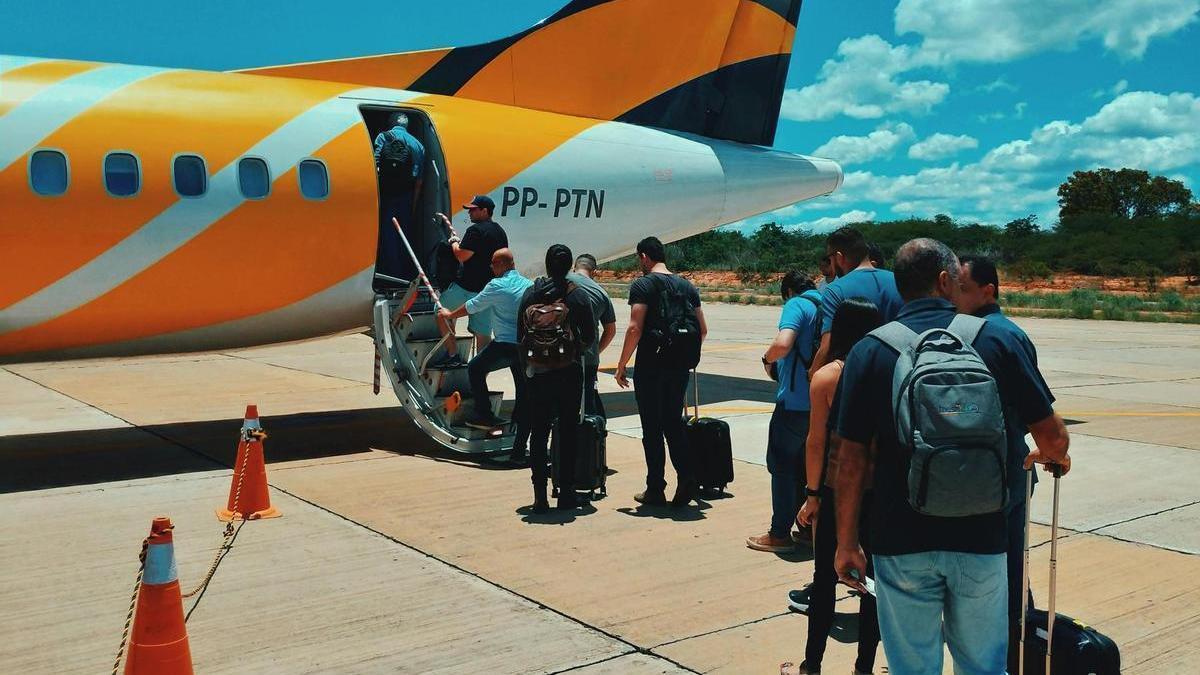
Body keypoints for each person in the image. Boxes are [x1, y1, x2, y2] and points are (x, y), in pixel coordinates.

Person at [832, 238, 1072, 675]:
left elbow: (849, 461)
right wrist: (1051, 455)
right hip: (981, 535)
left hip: (899, 539)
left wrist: (847, 540)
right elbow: (1053, 436)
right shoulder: (998, 339)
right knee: (982, 667)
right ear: (945, 281)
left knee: (913, 667)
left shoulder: (870, 350)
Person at [785, 298, 884, 675]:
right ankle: (864, 667)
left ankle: (812, 664)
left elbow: (815, 441)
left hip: (835, 489)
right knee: (872, 586)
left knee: (823, 582)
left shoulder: (827, 377)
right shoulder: (885, 373)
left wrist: (812, 495)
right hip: (877, 492)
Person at [957, 254, 1045, 674]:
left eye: (963, 287)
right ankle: (1012, 653)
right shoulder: (1008, 336)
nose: (954, 294)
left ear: (987, 291)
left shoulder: (966, 336)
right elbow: (1039, 414)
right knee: (1010, 569)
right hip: (1006, 471)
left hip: (961, 476)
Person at [614, 236, 707, 507]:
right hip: (678, 366)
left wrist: (622, 365)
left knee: (652, 428)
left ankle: (656, 487)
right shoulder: (687, 286)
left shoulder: (643, 284)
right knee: (673, 423)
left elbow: (635, 327)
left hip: (651, 366)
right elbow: (702, 330)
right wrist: (681, 352)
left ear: (644, 256)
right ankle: (687, 478)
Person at [747, 271, 823, 553]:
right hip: (821, 404)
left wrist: (767, 360)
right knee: (809, 471)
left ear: (789, 290)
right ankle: (808, 529)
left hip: (793, 404)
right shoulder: (829, 303)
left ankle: (779, 534)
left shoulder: (797, 304)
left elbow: (783, 343)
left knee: (781, 468)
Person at [518, 244, 596, 513]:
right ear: (569, 266)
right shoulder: (576, 296)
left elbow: (520, 334)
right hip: (568, 373)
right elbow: (589, 335)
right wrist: (572, 351)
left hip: (538, 374)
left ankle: (540, 496)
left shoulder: (530, 295)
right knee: (568, 432)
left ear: (547, 265)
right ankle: (566, 494)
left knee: (538, 434)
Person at [437, 249, 532, 432]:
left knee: (475, 368)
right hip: (524, 345)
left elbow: (473, 305)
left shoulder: (497, 285)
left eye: (494, 264)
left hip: (505, 344)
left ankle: (484, 415)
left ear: (503, 265)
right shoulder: (527, 284)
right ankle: (518, 423)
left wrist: (450, 314)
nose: (491, 268)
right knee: (521, 386)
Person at [808, 227, 903, 380]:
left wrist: (813, 374)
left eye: (830, 259)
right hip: (898, 374)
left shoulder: (835, 290)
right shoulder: (899, 282)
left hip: (857, 378)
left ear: (839, 257)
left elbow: (827, 346)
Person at [434, 195, 509, 365]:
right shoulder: (500, 231)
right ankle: (481, 369)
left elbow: (461, 256)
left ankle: (453, 354)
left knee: (441, 313)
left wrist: (454, 242)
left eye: (473, 209)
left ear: (485, 211)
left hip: (467, 288)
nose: (469, 213)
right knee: (483, 333)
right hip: (488, 291)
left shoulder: (475, 231)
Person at [373, 112, 426, 283]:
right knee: (403, 235)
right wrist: (414, 205)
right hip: (405, 196)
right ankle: (403, 274)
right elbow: (418, 180)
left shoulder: (383, 137)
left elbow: (374, 167)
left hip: (385, 194)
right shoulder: (418, 145)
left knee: (387, 235)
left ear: (390, 123)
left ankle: (388, 274)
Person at [568, 254, 618, 417]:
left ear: (574, 267)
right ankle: (592, 437)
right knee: (588, 399)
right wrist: (595, 350)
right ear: (594, 271)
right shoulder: (601, 293)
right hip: (588, 356)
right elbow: (610, 330)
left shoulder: (562, 280)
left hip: (558, 352)